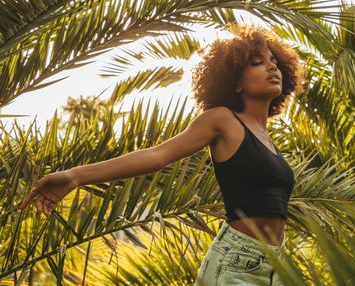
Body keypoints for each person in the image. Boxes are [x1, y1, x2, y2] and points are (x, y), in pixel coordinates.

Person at [19, 23, 305, 285]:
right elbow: (158, 155)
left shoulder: (268, 140)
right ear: (235, 82)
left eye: (274, 62)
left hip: (275, 264)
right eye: (258, 63)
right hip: (236, 263)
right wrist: (75, 176)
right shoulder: (222, 120)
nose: (272, 68)